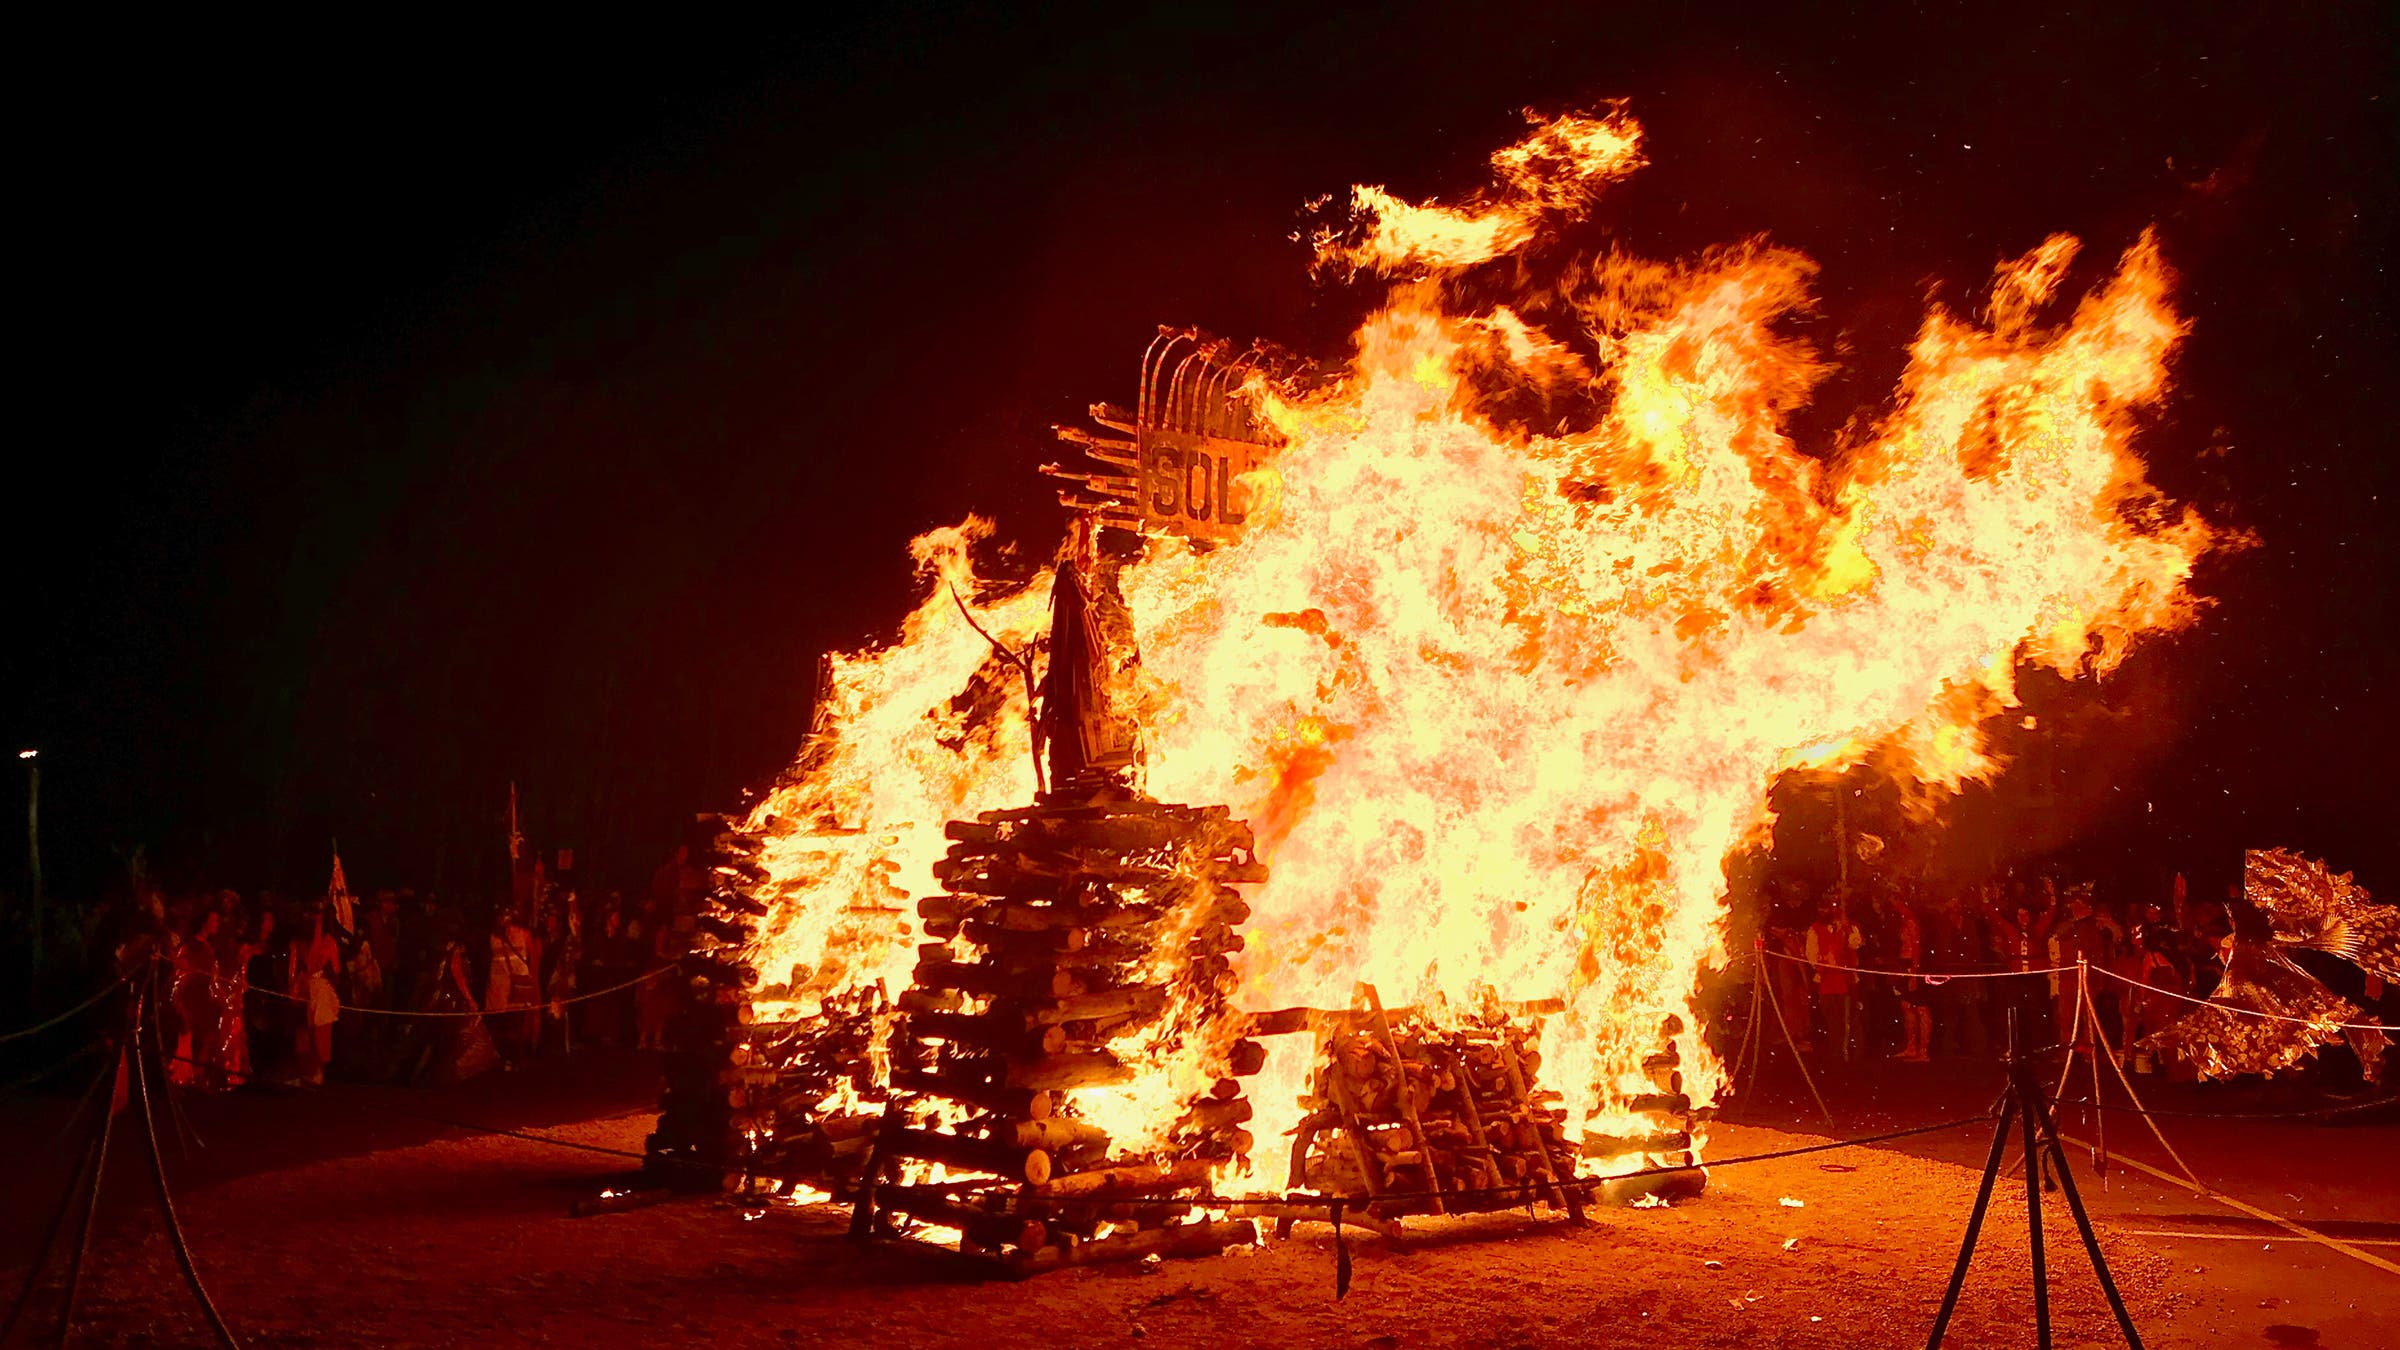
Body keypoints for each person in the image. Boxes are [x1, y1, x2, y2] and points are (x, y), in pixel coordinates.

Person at [288, 905, 343, 1085]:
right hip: (307, 990)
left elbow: (330, 968)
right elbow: (296, 969)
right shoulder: (300, 942)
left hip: (321, 991)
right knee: (306, 1033)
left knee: (320, 1033)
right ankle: (307, 1071)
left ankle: (318, 1073)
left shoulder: (328, 942)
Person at [1805, 899, 1864, 1061]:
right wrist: (1825, 960)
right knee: (1833, 1021)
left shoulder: (1848, 927)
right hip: (1826, 981)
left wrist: (1847, 928)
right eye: (1822, 908)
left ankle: (1854, 1054)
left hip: (1847, 981)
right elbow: (1811, 957)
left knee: (1850, 1019)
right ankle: (1836, 1053)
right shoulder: (1814, 930)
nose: (1825, 911)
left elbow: (1856, 943)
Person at [487, 905, 539, 1062]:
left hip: (501, 990)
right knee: (516, 1025)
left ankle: (506, 1058)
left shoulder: (493, 938)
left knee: (505, 1026)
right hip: (518, 986)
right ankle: (515, 1058)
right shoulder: (524, 934)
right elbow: (532, 957)